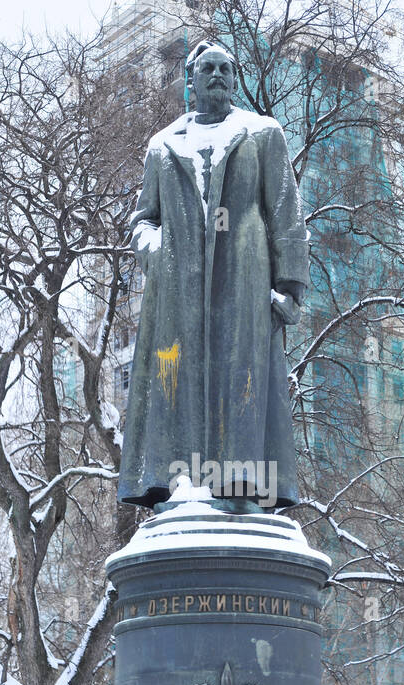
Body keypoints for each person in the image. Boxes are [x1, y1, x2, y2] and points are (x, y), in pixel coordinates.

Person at [117, 40, 309, 510]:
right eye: (208, 69)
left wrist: (289, 288)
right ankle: (178, 486)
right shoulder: (163, 147)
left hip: (243, 281)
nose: (218, 75)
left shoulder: (263, 134)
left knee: (239, 381)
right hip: (177, 293)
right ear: (191, 80)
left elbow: (286, 213)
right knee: (175, 381)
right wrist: (157, 251)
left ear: (235, 78)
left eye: (226, 68)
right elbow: (142, 218)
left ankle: (239, 489)